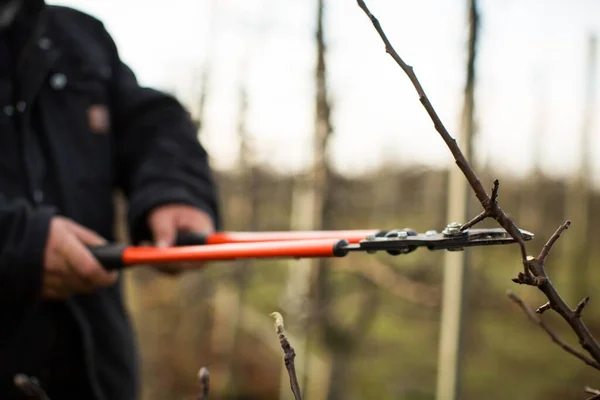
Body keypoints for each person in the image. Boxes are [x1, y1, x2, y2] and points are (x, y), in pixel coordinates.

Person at [0, 0, 221, 399]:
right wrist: (16, 244)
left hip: (97, 375)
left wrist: (174, 191)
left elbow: (153, 123)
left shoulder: (80, 38)